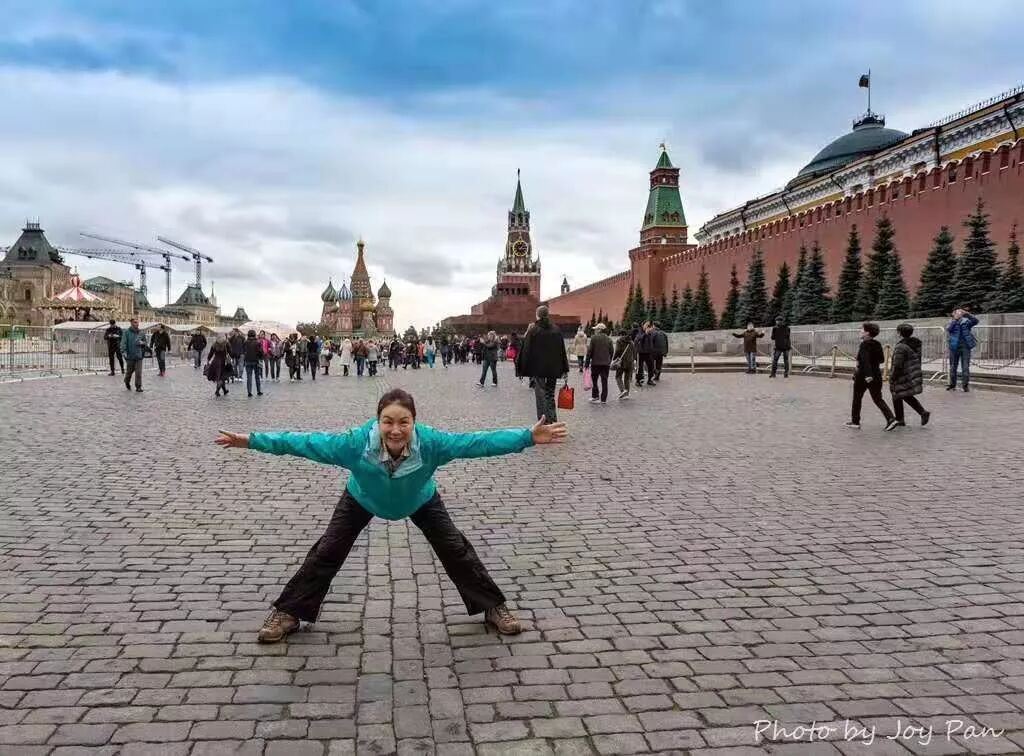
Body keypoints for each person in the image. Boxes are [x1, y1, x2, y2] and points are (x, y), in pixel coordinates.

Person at [215, 388, 568, 642]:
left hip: (419, 498)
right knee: (327, 552)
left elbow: (477, 443)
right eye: (388, 421)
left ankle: (493, 608)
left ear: (414, 422)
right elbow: (303, 443)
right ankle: (288, 612)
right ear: (378, 421)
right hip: (363, 498)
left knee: (456, 550)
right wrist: (251, 440)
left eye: (404, 422)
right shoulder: (354, 445)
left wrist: (526, 437)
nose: (395, 430)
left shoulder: (432, 444)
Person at [516, 306, 570, 423]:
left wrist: (521, 368)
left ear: (537, 315)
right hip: (553, 369)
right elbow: (562, 351)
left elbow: (526, 351)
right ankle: (552, 419)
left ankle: (543, 421)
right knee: (550, 393)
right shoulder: (556, 330)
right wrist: (565, 369)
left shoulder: (533, 331)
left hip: (538, 369)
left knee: (540, 394)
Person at [846, 322, 898, 431]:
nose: (860, 331)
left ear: (867, 333)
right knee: (878, 399)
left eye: (862, 330)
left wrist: (868, 375)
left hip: (863, 375)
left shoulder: (864, 344)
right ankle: (891, 418)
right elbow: (881, 359)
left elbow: (865, 361)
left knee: (857, 398)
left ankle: (855, 421)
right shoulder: (877, 344)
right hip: (876, 374)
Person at [890, 323, 931, 428]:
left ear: (899, 333)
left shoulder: (901, 347)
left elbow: (898, 364)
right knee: (904, 394)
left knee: (897, 393)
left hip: (903, 374)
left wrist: (893, 376)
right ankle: (921, 413)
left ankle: (901, 419)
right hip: (912, 373)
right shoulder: (916, 344)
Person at [947, 307, 979, 392]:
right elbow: (949, 329)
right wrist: (955, 320)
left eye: (960, 312)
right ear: (953, 314)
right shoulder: (951, 322)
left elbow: (976, 321)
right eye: (956, 312)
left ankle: (965, 386)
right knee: (953, 367)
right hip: (954, 347)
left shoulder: (966, 322)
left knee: (965, 367)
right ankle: (952, 385)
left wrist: (967, 314)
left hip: (965, 347)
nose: (958, 314)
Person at [585, 322, 613, 404]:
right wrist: (609, 360)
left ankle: (595, 396)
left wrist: (587, 363)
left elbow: (590, 352)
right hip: (605, 364)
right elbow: (612, 351)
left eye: (596, 329)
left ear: (600, 330)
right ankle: (603, 399)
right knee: (604, 381)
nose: (595, 331)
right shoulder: (609, 339)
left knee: (594, 380)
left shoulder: (594, 338)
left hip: (596, 363)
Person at [120, 318, 148, 392]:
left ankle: (138, 387)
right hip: (130, 356)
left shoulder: (141, 333)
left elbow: (145, 343)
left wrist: (142, 343)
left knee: (138, 372)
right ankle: (127, 381)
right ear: (131, 323)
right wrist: (123, 351)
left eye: (137, 322)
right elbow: (123, 342)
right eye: (135, 322)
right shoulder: (126, 332)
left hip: (138, 356)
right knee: (129, 372)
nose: (137, 324)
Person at [612, 328, 636, 400]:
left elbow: (617, 351)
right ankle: (627, 394)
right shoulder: (631, 341)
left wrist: (614, 359)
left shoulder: (619, 341)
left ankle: (622, 390)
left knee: (618, 376)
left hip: (622, 362)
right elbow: (634, 352)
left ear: (620, 334)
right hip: (630, 362)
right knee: (627, 378)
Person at [243, 329, 264, 398]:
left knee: (249, 377)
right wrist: (260, 357)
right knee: (257, 377)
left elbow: (243, 351)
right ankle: (258, 391)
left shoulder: (245, 342)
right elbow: (261, 352)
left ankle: (249, 392)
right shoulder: (257, 342)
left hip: (247, 361)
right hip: (256, 361)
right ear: (254, 335)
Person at [635, 322, 655, 386]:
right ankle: (638, 380)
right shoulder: (640, 332)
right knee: (639, 367)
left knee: (651, 366)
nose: (648, 327)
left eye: (649, 326)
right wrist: (645, 334)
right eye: (647, 326)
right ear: (643, 326)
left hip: (649, 352)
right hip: (640, 353)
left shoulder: (651, 333)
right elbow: (637, 340)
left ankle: (650, 379)